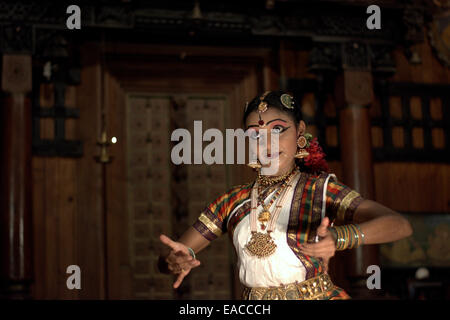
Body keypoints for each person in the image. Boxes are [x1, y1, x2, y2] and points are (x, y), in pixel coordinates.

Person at [158, 90, 413, 300]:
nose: (267, 145)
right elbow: (176, 254)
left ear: (300, 132)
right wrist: (175, 260)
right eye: (255, 135)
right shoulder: (232, 201)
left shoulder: (320, 189)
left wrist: (339, 237)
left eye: (278, 130)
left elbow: (399, 225)